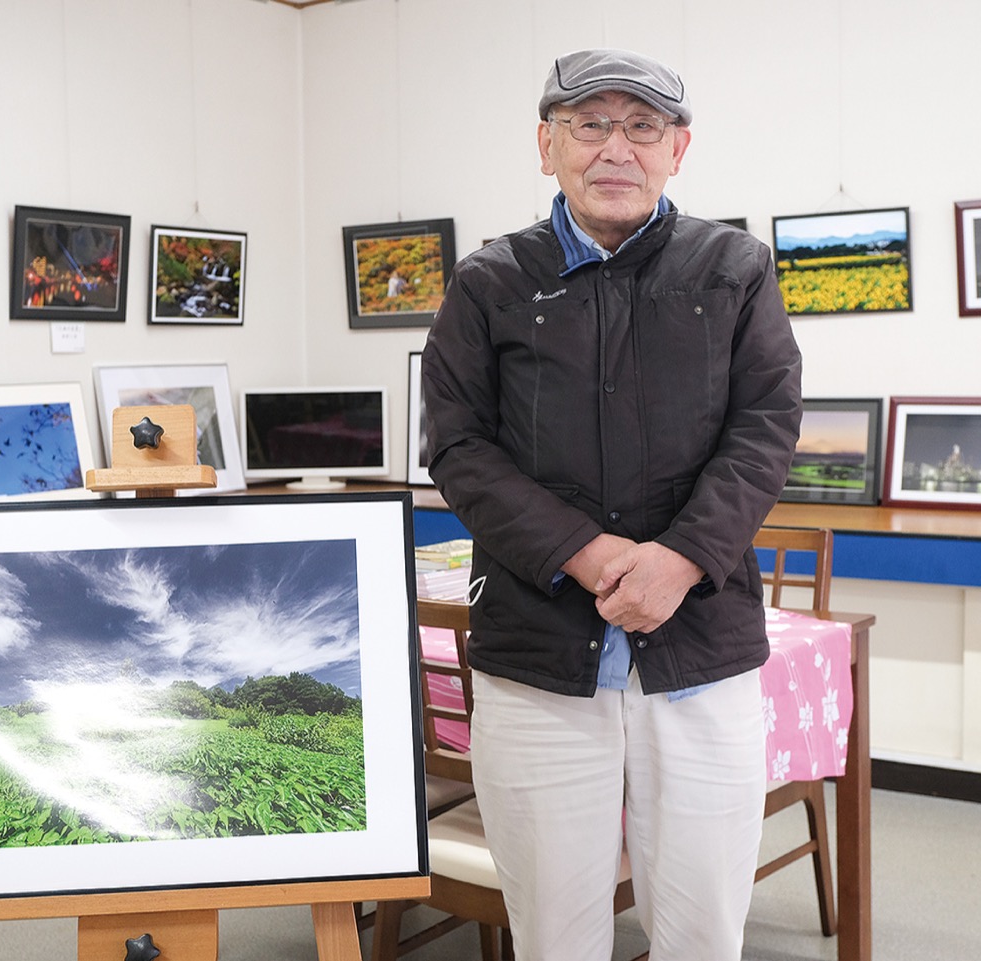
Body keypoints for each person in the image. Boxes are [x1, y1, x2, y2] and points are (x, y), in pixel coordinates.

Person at [421, 48, 802, 961]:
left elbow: (765, 425)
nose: (615, 149)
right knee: (554, 932)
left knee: (705, 927)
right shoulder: (489, 282)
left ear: (679, 148)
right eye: (590, 125)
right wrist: (587, 553)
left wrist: (678, 561)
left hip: (702, 647)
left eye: (641, 127)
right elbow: (458, 447)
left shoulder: (735, 268)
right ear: (546, 144)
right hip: (539, 654)